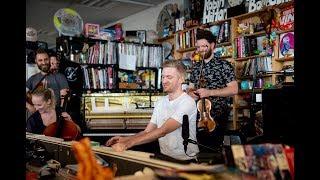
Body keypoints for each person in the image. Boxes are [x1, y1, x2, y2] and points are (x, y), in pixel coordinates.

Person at [106, 60, 199, 161]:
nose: (164, 81)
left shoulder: (187, 102)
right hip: (165, 158)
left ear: (181, 79)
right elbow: (147, 131)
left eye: (169, 77)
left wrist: (128, 144)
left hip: (186, 160)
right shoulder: (160, 102)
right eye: (163, 77)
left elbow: (163, 131)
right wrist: (124, 139)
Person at [187, 29, 238, 153]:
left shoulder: (224, 65)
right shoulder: (196, 67)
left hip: (217, 115)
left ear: (213, 45)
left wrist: (209, 92)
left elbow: (234, 89)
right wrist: (191, 93)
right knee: (196, 148)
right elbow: (190, 88)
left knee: (212, 150)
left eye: (204, 46)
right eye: (198, 47)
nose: (201, 49)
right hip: (198, 115)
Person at [26, 49, 69, 113]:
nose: (43, 62)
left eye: (46, 59)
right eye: (40, 60)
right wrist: (30, 107)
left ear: (49, 59)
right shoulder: (32, 79)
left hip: (54, 116)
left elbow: (65, 99)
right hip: (37, 118)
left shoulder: (60, 77)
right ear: (36, 61)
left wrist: (60, 114)